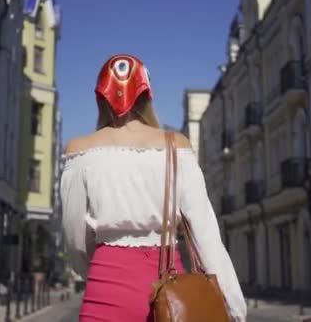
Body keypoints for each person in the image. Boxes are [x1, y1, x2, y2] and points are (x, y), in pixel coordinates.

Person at [60, 54, 246, 321]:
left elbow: (76, 240)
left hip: (105, 290)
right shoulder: (176, 146)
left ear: (101, 98)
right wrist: (234, 309)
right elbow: (207, 237)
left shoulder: (80, 152)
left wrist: (102, 267)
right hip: (170, 294)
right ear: (147, 96)